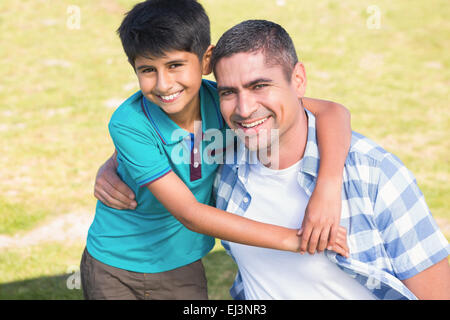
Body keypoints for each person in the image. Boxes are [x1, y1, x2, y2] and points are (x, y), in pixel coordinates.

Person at [82, 0, 352, 300]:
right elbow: (191, 214)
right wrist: (296, 240)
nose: (163, 83)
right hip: (114, 265)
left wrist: (327, 187)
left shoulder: (228, 103)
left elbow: (333, 111)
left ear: (206, 59)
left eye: (175, 66)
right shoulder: (128, 123)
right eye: (147, 69)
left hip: (181, 263)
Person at [208, 20, 450, 299]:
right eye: (228, 92)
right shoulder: (225, 168)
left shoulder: (375, 176)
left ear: (298, 80)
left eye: (260, 85)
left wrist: (329, 182)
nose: (244, 108)